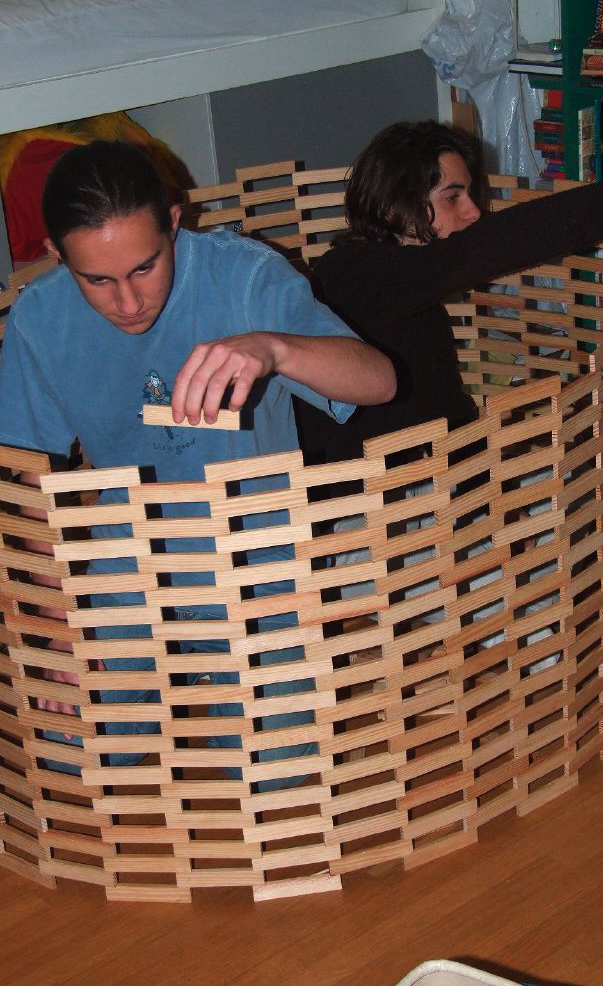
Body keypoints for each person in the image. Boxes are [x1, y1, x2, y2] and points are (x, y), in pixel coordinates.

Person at [0, 139, 396, 787]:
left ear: (174, 223)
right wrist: (56, 620)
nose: (129, 302)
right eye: (97, 280)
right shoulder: (39, 318)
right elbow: (28, 478)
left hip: (258, 554)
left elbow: (379, 381)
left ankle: (228, 683)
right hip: (126, 558)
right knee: (68, 760)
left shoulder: (244, 276)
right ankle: (174, 685)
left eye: (145, 267)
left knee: (277, 774)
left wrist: (274, 349)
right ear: (56, 255)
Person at [296, 119, 603, 463]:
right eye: (452, 197)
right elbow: (495, 245)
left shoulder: (405, 287)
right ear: (393, 209)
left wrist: (483, 490)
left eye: (469, 194)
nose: (473, 212)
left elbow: (443, 408)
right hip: (363, 500)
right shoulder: (354, 273)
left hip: (421, 480)